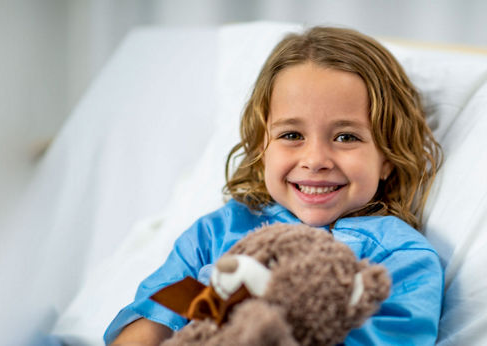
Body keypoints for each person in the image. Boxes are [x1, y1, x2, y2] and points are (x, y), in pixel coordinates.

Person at [105, 26, 444, 345]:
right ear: (261, 147)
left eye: (346, 136)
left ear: (387, 156)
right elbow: (152, 321)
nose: (315, 159)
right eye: (292, 135)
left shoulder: (400, 256)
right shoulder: (219, 231)